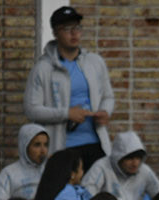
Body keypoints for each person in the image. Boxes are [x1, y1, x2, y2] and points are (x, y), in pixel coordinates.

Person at [24, 5, 114, 170]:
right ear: (55, 33)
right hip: (62, 147)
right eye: (67, 29)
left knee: (98, 194)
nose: (74, 33)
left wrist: (105, 112)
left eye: (77, 28)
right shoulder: (43, 68)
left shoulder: (95, 62)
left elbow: (108, 96)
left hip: (97, 143)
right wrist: (66, 113)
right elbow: (31, 109)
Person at [82, 131, 159, 200]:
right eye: (130, 158)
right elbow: (87, 195)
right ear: (118, 158)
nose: (135, 163)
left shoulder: (145, 170)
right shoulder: (101, 166)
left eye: (138, 158)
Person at [0, 124, 49, 200]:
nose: (43, 151)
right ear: (25, 146)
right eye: (37, 145)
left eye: (46, 145)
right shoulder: (9, 173)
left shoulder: (50, 171)